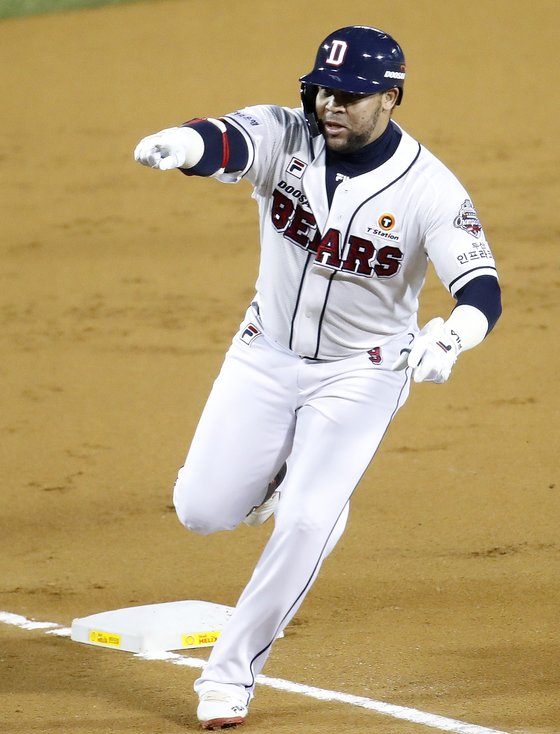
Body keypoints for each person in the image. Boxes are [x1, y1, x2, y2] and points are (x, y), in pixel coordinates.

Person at [134, 25, 502, 730]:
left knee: (310, 520)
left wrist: (454, 334)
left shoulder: (430, 188)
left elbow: (481, 285)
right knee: (202, 511)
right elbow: (227, 140)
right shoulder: (287, 134)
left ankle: (230, 674)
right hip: (263, 353)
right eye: (323, 89)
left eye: (352, 95)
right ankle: (280, 482)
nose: (331, 104)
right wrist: (182, 146)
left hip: (361, 375)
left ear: (391, 98)